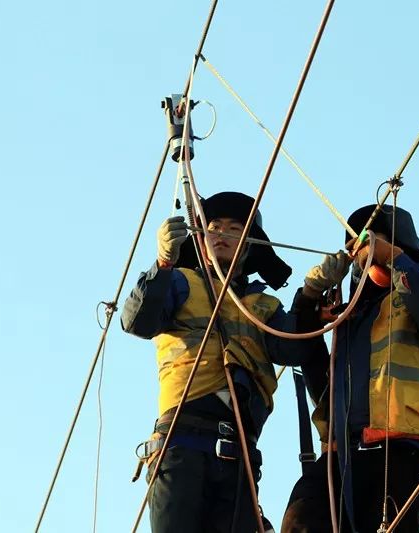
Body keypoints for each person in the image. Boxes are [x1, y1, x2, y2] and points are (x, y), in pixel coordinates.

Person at [122, 191, 325, 533]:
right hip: (182, 442)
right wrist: (162, 264)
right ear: (201, 239)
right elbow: (137, 321)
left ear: (247, 245)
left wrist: (311, 295)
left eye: (234, 228)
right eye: (214, 226)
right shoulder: (180, 283)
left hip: (240, 454)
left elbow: (294, 348)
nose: (222, 234)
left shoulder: (263, 306)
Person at [281, 204, 419, 533]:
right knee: (301, 520)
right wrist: (308, 299)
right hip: (343, 454)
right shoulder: (348, 318)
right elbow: (323, 386)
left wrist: (397, 260)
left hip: (405, 451)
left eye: (375, 242)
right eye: (359, 246)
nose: (366, 250)